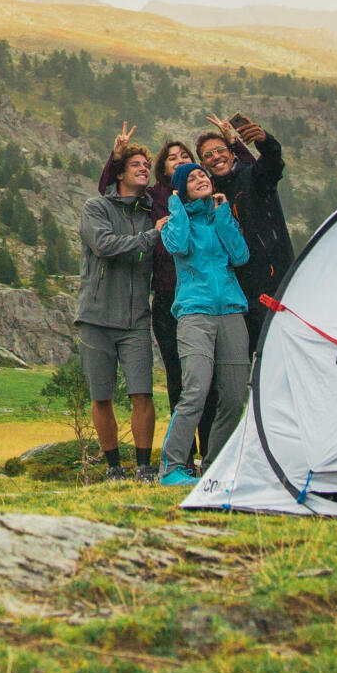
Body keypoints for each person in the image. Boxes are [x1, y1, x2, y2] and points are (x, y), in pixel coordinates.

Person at [155, 161, 251, 486]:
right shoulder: (176, 223)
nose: (201, 179)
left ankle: (214, 468)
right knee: (195, 389)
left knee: (236, 396)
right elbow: (177, 246)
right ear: (181, 189)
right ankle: (171, 469)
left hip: (231, 311)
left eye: (202, 175)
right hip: (194, 313)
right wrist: (176, 205)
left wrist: (223, 215)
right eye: (191, 178)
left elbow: (240, 256)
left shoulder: (222, 216)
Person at [96, 126, 193, 442]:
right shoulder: (157, 197)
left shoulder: (207, 191)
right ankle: (183, 456)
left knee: (210, 378)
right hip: (167, 292)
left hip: (202, 294)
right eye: (172, 158)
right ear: (163, 170)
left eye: (185, 156)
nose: (179, 161)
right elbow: (108, 187)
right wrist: (117, 156)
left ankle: (213, 452)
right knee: (177, 378)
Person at [74, 141, 159, 481]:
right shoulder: (95, 208)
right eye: (136, 164)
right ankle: (113, 468)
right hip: (96, 317)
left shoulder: (151, 212)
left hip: (137, 318)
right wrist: (151, 238)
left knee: (143, 391)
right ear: (120, 172)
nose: (143, 168)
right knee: (101, 395)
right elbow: (105, 245)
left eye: (146, 165)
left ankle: (143, 467)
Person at [195, 113, 295, 350]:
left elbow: (273, 164)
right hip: (236, 294)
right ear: (202, 165)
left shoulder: (253, 177)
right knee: (249, 362)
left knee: (280, 352)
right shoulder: (208, 197)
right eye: (208, 155)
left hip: (274, 283)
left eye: (220, 150)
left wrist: (265, 140)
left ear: (231, 153)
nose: (216, 157)